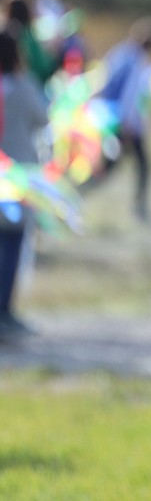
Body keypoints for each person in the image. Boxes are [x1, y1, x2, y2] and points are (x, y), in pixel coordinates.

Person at [0, 30, 49, 341]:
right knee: (12, 242)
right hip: (15, 176)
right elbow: (42, 118)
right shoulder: (22, 85)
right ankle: (4, 312)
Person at [90, 17, 151, 222]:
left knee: (118, 165)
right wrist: (128, 123)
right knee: (130, 166)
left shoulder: (120, 53)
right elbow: (129, 95)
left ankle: (81, 193)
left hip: (110, 118)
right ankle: (139, 207)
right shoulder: (136, 60)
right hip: (123, 123)